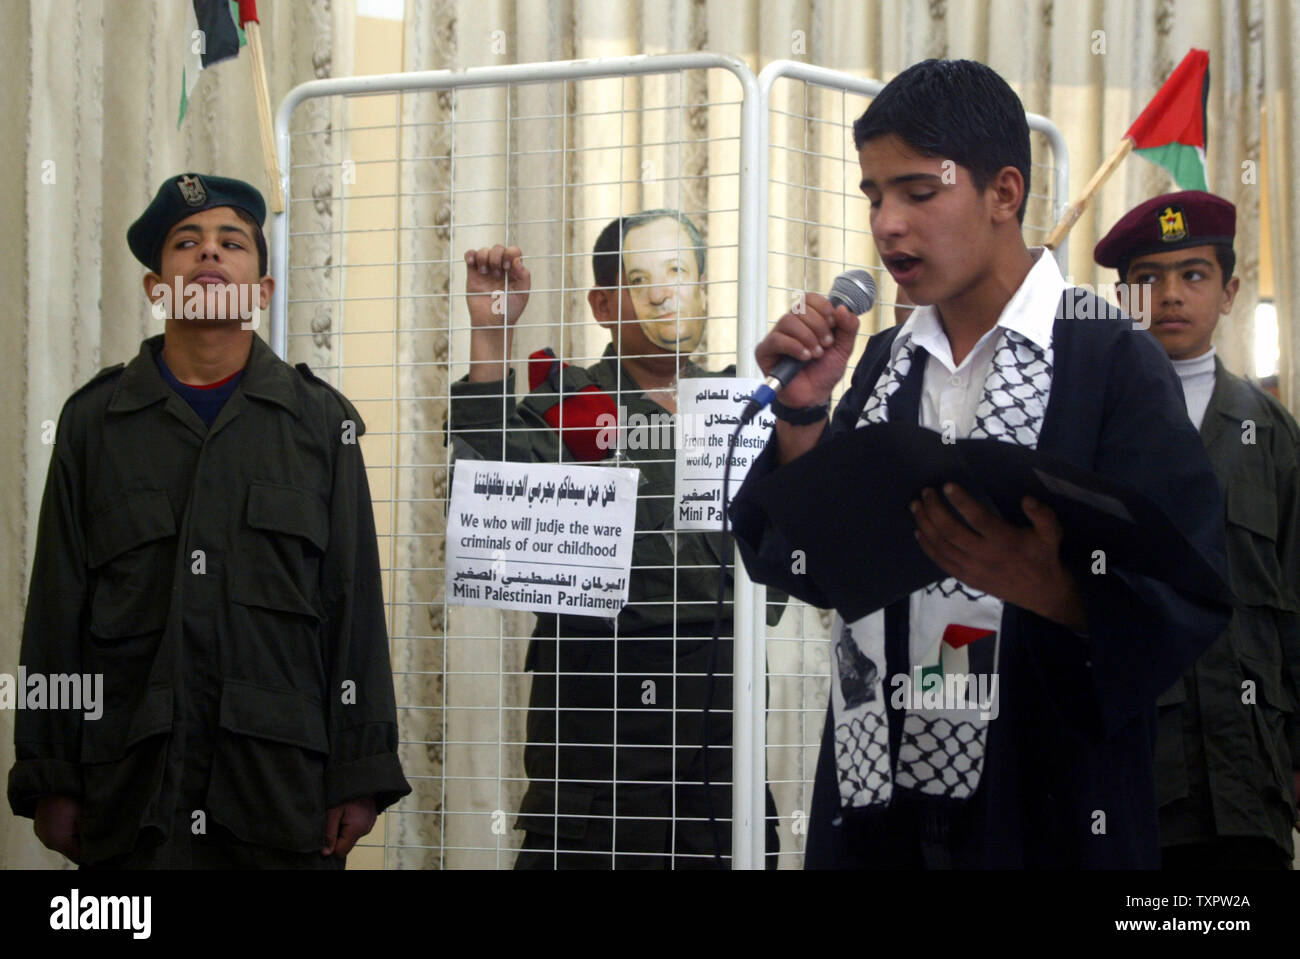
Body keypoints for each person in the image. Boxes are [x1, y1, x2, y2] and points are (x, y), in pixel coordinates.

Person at [730, 59, 1231, 868]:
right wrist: (802, 412)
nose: (888, 223)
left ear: (1005, 192)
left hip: (1043, 807)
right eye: (874, 196)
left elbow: (1190, 589)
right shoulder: (889, 360)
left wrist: (1055, 588)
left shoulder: (1110, 360)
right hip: (879, 803)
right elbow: (818, 562)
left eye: (919, 192)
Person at [7, 173, 410, 868]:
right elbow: (55, 610)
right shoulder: (93, 424)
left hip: (279, 794)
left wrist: (360, 770)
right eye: (185, 243)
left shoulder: (320, 423)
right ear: (156, 288)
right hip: (132, 792)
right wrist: (49, 772)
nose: (208, 254)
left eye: (232, 243)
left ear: (263, 290)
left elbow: (353, 608)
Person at [447, 209, 783, 868]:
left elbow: (782, 565)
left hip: (721, 778)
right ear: (604, 304)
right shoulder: (567, 404)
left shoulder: (748, 411)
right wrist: (491, 340)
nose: (665, 293)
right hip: (592, 768)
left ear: (706, 289)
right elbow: (487, 506)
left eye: (680, 272)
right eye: (640, 278)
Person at [1096, 190, 1300, 869]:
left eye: (1193, 274)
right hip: (1133, 769)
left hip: (1252, 775)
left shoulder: (1271, 434)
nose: (1170, 295)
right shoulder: (1091, 424)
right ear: (1122, 296)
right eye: (1147, 278)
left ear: (1229, 289)